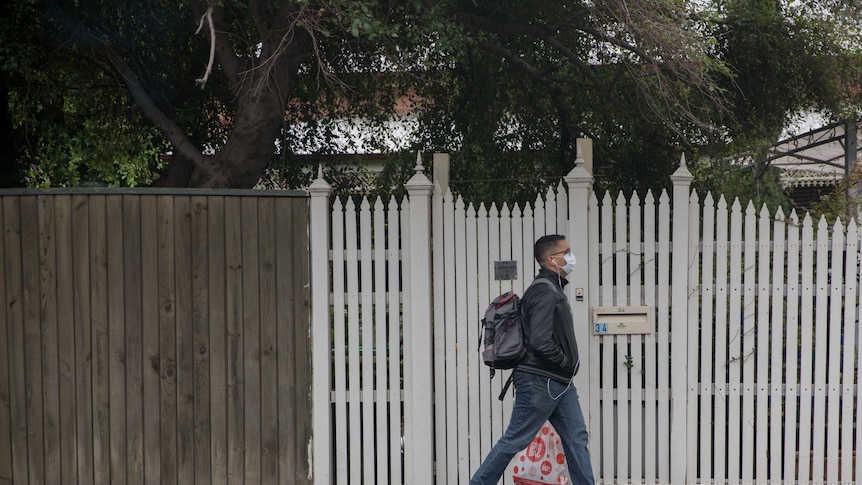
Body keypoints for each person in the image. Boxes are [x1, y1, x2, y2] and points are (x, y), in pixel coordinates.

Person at [470, 234, 595, 485]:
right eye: (566, 252)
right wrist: (565, 362)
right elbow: (540, 340)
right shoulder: (544, 290)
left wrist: (565, 369)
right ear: (552, 259)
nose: (571, 257)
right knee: (515, 439)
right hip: (542, 380)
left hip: (559, 383)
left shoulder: (553, 288)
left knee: (576, 439)